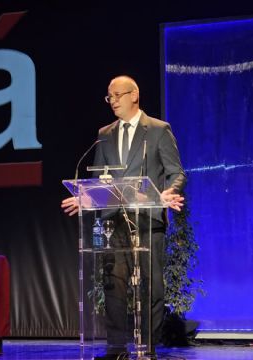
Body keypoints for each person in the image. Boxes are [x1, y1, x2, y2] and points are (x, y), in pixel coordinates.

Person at [61, 75, 186, 357]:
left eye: (117, 95)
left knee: (150, 289)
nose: (113, 101)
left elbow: (176, 172)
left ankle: (149, 349)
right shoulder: (104, 134)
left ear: (134, 95)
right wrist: (85, 198)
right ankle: (116, 348)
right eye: (109, 96)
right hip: (113, 223)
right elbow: (99, 180)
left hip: (146, 222)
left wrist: (165, 193)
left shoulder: (157, 130)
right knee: (113, 288)